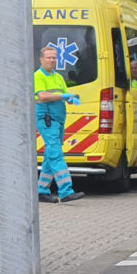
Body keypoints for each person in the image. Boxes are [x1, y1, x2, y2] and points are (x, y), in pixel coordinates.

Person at [34, 45, 82, 203]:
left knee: (50, 154)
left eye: (54, 57)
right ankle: (66, 190)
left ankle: (41, 190)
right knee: (55, 154)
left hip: (58, 120)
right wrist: (62, 96)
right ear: (41, 59)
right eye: (48, 57)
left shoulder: (58, 77)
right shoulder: (38, 76)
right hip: (47, 118)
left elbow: (62, 95)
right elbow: (42, 96)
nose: (52, 60)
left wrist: (69, 98)